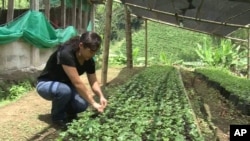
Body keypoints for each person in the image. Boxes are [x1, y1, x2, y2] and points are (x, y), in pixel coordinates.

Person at [36, 31, 107, 130]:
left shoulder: (89, 61)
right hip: (46, 84)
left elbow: (93, 81)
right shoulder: (66, 53)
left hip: (66, 86)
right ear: (81, 45)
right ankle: (58, 118)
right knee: (64, 91)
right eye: (91, 51)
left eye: (95, 52)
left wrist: (101, 96)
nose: (92, 55)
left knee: (82, 104)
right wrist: (94, 103)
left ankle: (67, 113)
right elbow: (77, 83)